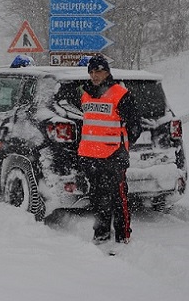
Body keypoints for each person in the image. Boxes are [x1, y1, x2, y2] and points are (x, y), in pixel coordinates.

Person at [77, 55, 142, 246]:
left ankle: (123, 237)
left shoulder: (121, 94)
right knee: (97, 199)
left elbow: (135, 126)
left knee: (118, 198)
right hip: (90, 156)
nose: (95, 75)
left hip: (113, 157)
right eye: (92, 72)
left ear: (107, 72)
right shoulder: (85, 94)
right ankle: (101, 235)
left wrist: (122, 148)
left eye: (99, 71)